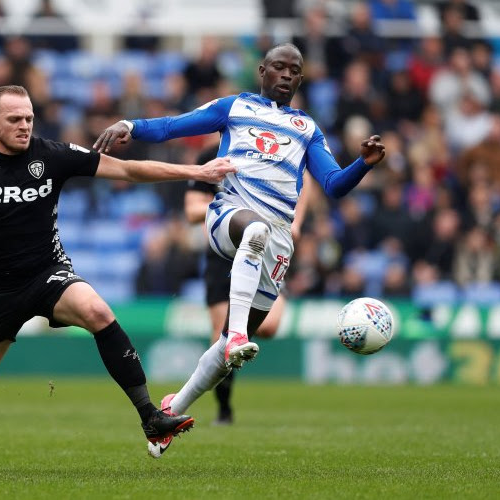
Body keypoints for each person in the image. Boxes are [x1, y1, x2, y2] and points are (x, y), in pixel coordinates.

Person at [94, 43, 385, 457]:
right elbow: (174, 126)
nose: (286, 75)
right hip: (229, 215)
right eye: (279, 68)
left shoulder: (308, 128)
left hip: (279, 241)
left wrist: (365, 164)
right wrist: (130, 125)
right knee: (254, 238)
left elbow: (334, 186)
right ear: (262, 71)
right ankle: (234, 337)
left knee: (230, 350)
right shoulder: (235, 107)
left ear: (301, 80)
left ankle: (170, 412)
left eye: (294, 71)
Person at [0, 85, 236, 472]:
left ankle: (150, 418)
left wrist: (197, 171)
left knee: (97, 311)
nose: (24, 126)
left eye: (28, 118)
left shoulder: (51, 155)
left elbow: (128, 169)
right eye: (14, 120)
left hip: (48, 273)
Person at [184, 145, 313, 427]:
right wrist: (232, 208)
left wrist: (296, 221)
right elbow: (192, 210)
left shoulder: (276, 151)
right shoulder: (210, 156)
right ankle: (224, 410)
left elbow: (305, 180)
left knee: (266, 327)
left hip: (267, 247)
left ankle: (276, 295)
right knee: (223, 335)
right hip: (224, 252)